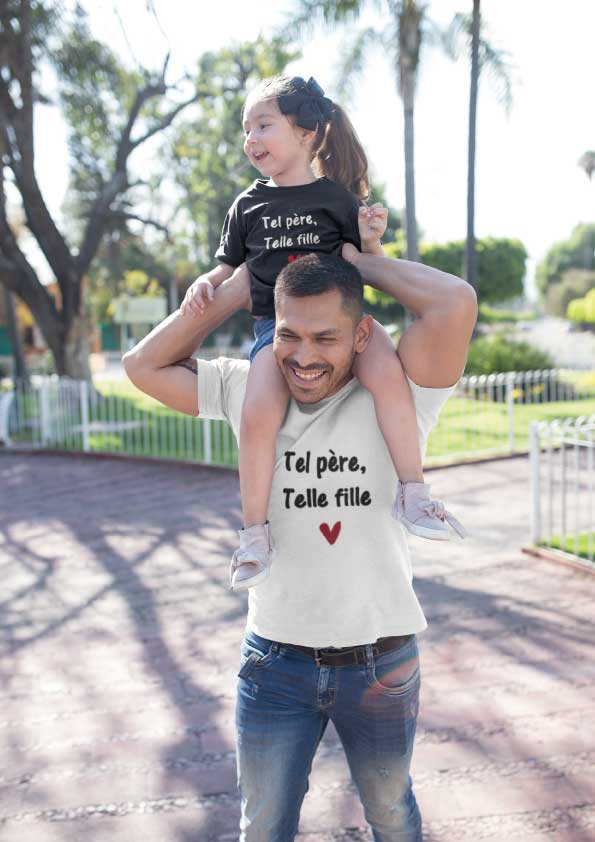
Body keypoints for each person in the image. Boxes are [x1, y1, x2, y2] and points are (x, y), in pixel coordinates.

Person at [123, 246, 477, 841]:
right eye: (289, 336)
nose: (304, 357)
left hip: (382, 661)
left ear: (363, 334)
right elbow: (142, 366)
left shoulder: (400, 397)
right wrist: (234, 291)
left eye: (326, 337)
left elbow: (453, 302)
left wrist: (357, 261)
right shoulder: (250, 393)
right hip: (274, 665)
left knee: (392, 814)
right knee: (262, 828)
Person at [179, 75, 465, 592]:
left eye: (263, 124)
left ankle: (414, 493)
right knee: (257, 414)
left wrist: (372, 241)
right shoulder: (246, 207)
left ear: (308, 132)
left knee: (389, 379)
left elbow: (366, 264)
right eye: (246, 128)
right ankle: (253, 535)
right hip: (278, 332)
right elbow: (226, 269)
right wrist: (206, 281)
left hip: (350, 329)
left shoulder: (337, 199)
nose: (251, 138)